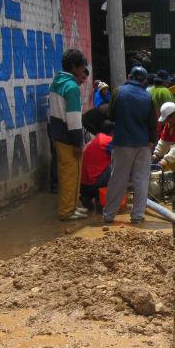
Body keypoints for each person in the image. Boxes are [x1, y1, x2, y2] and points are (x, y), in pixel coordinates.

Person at [102, 66, 158, 225]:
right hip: (143, 143)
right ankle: (138, 215)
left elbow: (111, 115)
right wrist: (151, 142)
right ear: (145, 81)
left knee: (118, 178)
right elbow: (152, 123)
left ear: (129, 76)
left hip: (123, 142)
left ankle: (109, 215)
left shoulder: (118, 92)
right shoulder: (148, 97)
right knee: (141, 180)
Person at [48, 49, 89, 221]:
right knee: (71, 174)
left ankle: (71, 207)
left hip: (57, 134)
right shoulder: (71, 87)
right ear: (74, 67)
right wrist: (78, 142)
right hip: (67, 136)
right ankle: (67, 210)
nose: (83, 71)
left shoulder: (57, 82)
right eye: (82, 68)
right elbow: (73, 119)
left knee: (66, 173)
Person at [79, 125, 113, 211]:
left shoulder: (97, 139)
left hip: (83, 184)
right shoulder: (108, 141)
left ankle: (87, 197)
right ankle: (101, 199)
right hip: (94, 183)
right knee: (118, 168)